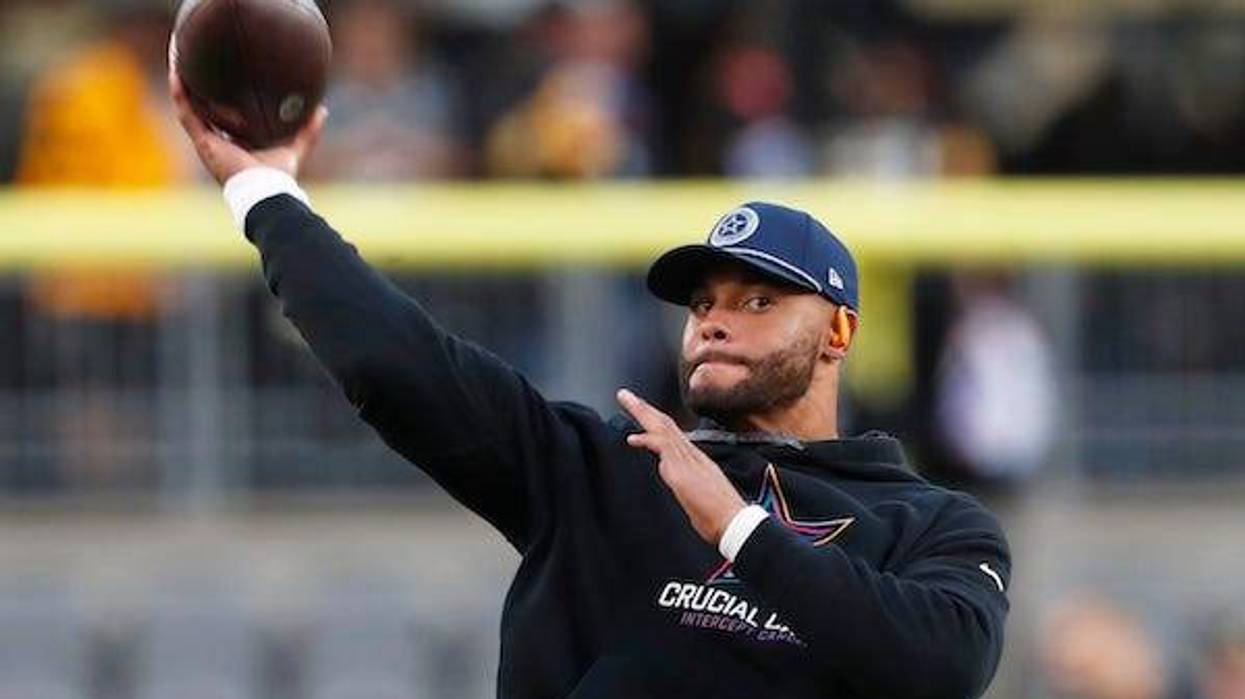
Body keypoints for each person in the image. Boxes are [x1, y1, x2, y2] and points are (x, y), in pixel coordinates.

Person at [169, 69, 1010, 698]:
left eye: (758, 299)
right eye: (703, 302)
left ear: (837, 332)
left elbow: (944, 663)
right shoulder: (598, 467)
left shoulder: (932, 523)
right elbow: (396, 361)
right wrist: (264, 190)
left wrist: (738, 529)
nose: (714, 320)